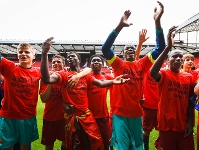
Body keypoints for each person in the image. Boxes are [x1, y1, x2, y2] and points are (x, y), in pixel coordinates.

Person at [40, 37, 130, 150]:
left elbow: (100, 83)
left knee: (96, 142)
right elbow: (47, 79)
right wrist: (44, 53)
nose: (70, 58)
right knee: (73, 145)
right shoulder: (63, 74)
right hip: (71, 116)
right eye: (68, 58)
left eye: (73, 57)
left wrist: (113, 81)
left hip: (86, 115)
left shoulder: (86, 76)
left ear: (79, 60)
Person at [101, 1, 166, 149]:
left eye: (132, 48)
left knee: (137, 146)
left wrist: (157, 22)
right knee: (123, 146)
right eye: (127, 49)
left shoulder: (142, 64)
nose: (130, 49)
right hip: (120, 114)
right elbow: (105, 49)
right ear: (123, 53)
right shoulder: (118, 64)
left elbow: (160, 47)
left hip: (137, 114)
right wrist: (119, 26)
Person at [150, 26, 195, 150]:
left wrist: (190, 123)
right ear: (167, 60)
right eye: (175, 56)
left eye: (181, 57)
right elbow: (152, 72)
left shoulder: (189, 77)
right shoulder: (164, 74)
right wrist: (168, 47)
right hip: (166, 126)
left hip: (183, 125)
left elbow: (190, 103)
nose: (179, 58)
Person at [0, 42, 41, 150]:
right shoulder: (9, 67)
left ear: (34, 55)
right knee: (6, 147)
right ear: (17, 55)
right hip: (8, 116)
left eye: (27, 52)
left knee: (25, 147)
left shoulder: (38, 71)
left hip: (28, 117)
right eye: (20, 52)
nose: (23, 54)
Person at [88, 54, 113, 150]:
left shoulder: (107, 77)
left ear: (102, 64)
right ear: (90, 64)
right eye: (93, 61)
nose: (96, 62)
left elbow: (119, 90)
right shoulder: (86, 77)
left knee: (106, 141)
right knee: (90, 143)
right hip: (89, 116)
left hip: (103, 116)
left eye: (98, 60)